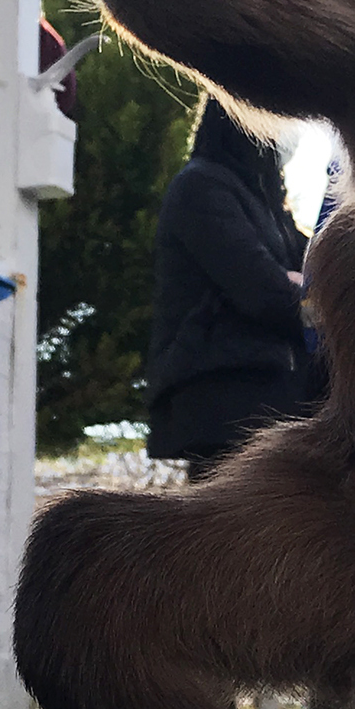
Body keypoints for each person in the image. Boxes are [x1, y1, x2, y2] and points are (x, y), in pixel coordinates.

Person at [145, 98, 315, 477]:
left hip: (274, 405)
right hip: (227, 407)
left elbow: (319, 275)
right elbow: (265, 293)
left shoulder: (266, 206)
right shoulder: (201, 187)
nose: (290, 134)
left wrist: (304, 284)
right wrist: (304, 289)